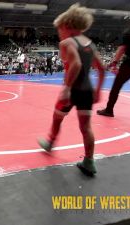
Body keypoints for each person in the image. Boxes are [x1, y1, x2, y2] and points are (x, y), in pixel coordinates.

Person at [38, 3, 105, 176]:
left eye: (59, 29)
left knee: (57, 117)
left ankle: (50, 143)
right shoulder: (91, 44)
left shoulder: (67, 42)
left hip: (73, 90)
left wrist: (67, 88)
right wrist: (98, 90)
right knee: (86, 127)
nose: (59, 33)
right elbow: (101, 68)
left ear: (67, 26)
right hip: (87, 90)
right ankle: (89, 162)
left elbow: (76, 63)